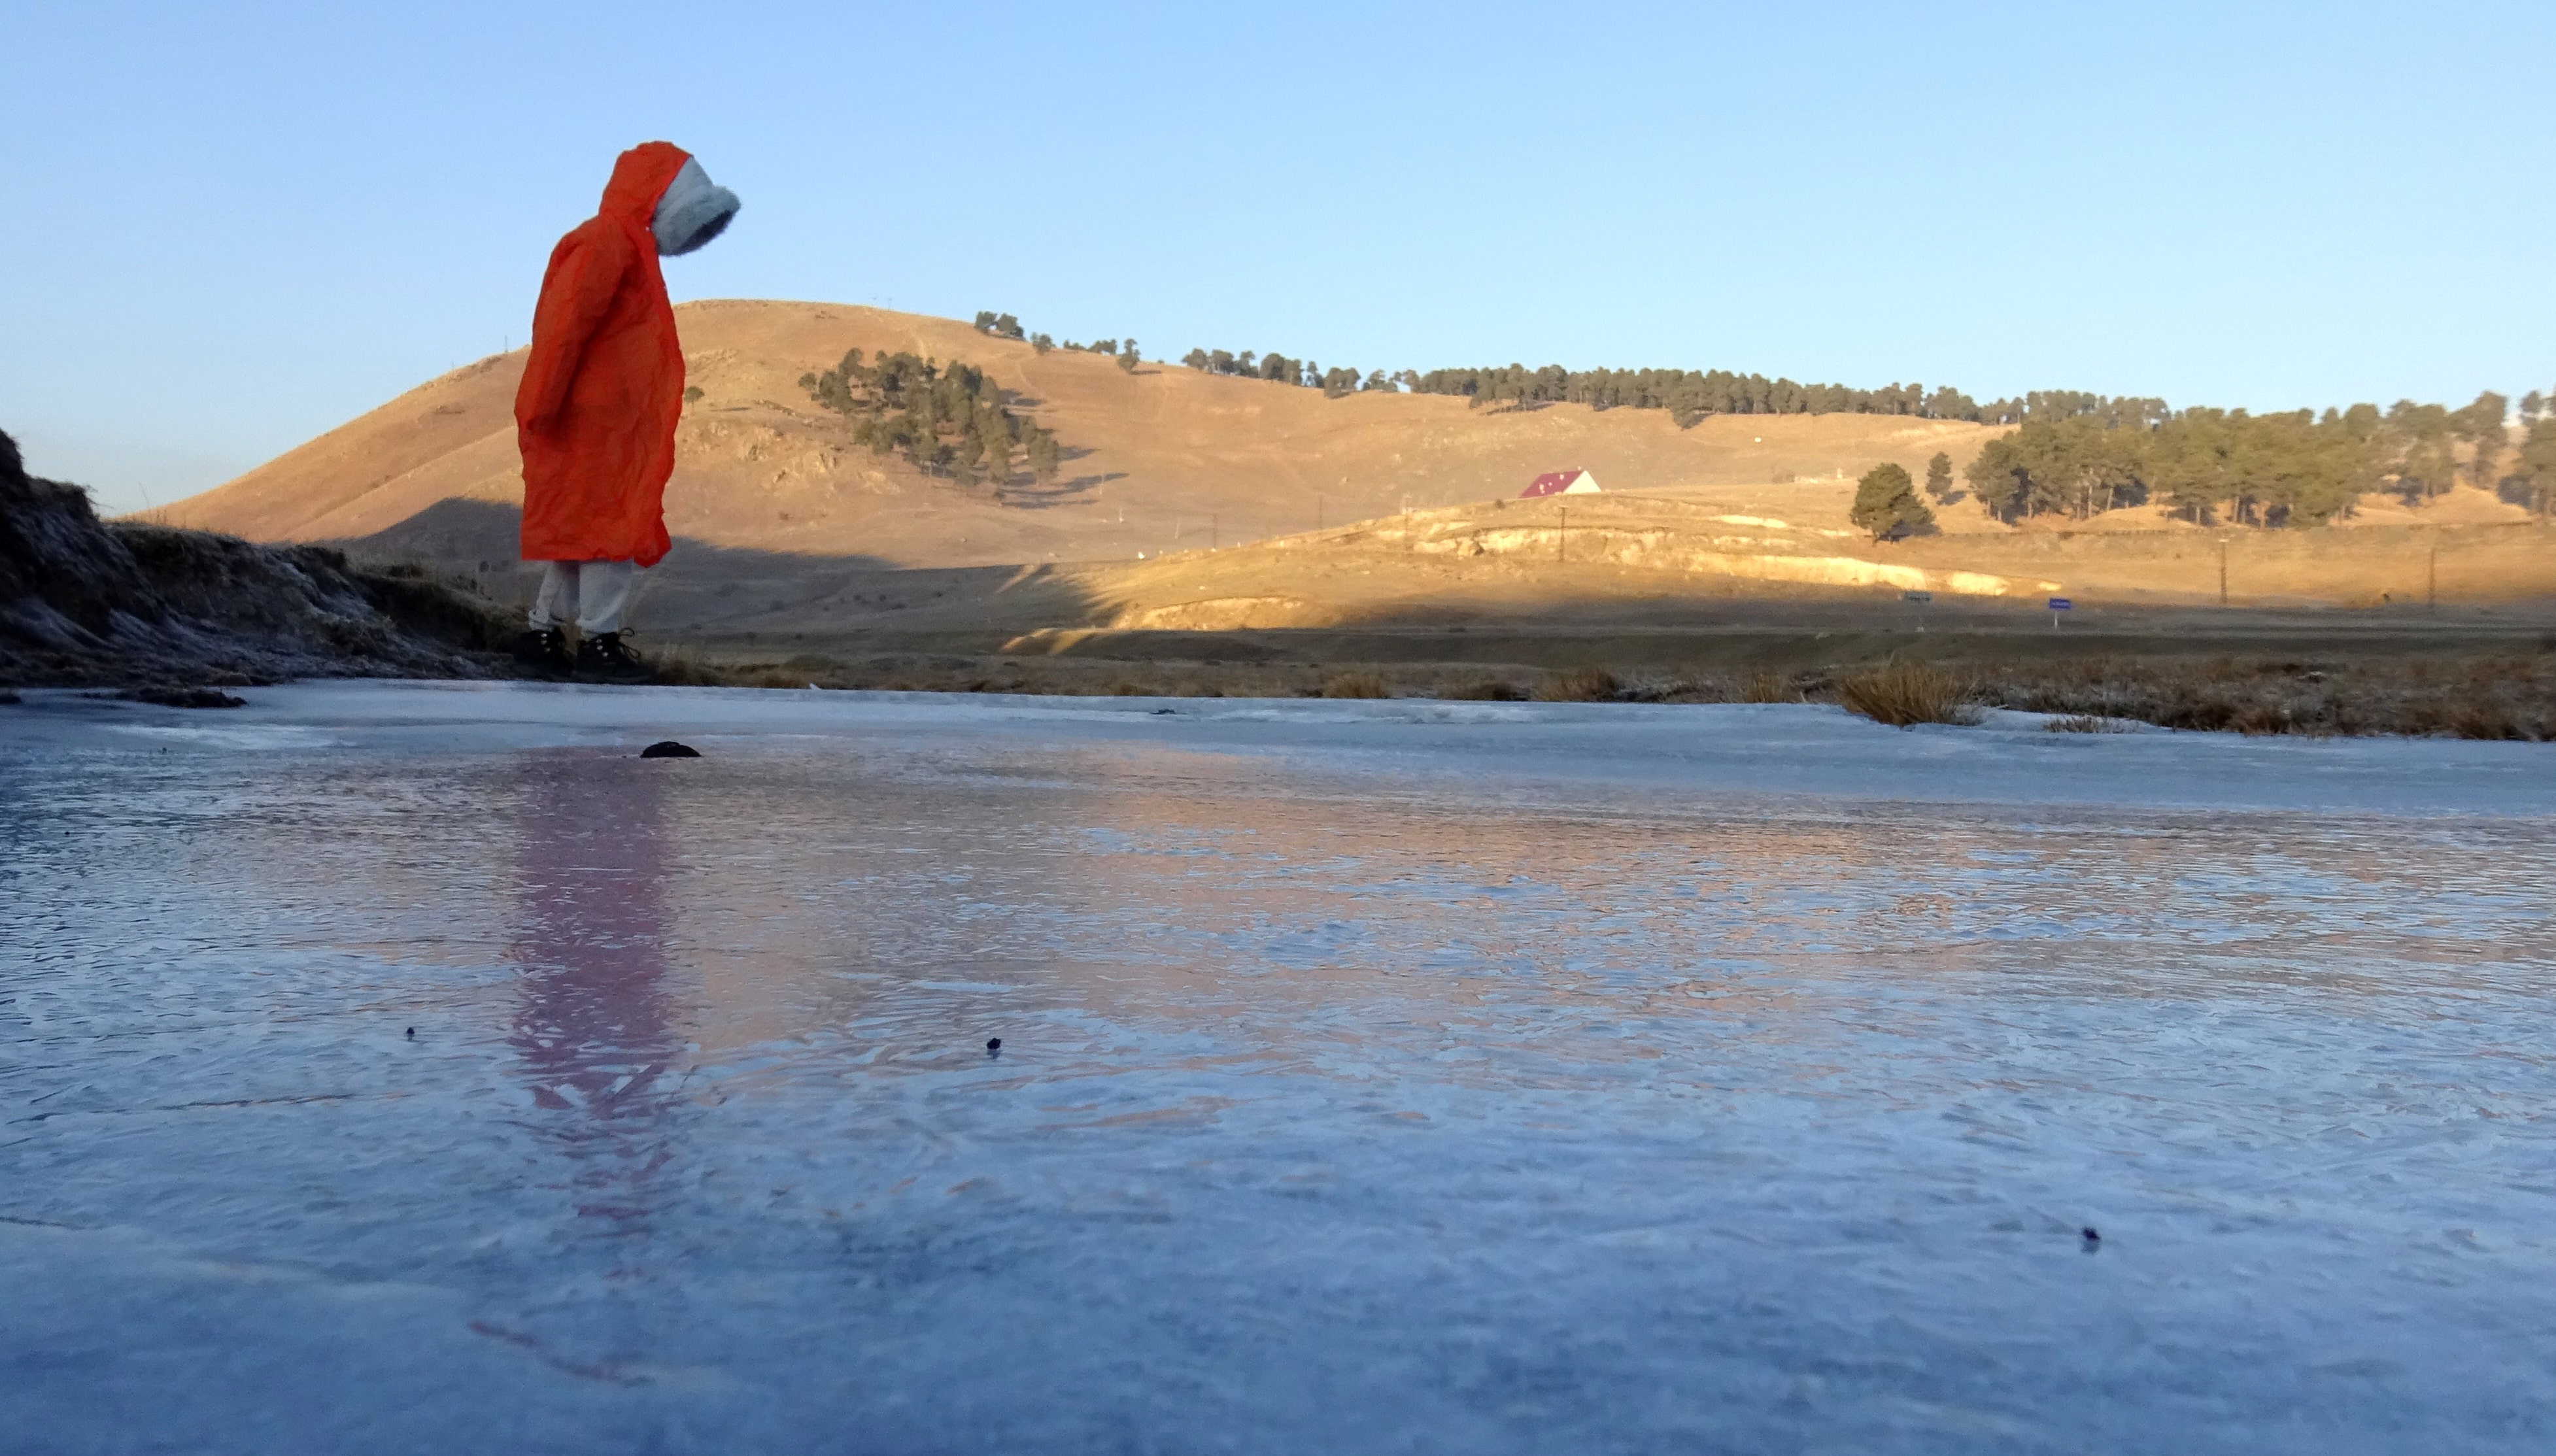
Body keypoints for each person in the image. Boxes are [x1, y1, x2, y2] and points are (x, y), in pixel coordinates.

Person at [510, 142, 739, 682]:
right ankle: (599, 642)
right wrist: (541, 401)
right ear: (663, 198)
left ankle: (542, 636)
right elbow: (565, 328)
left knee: (581, 532)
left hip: (600, 420)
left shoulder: (621, 244)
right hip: (598, 423)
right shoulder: (609, 242)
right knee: (610, 530)